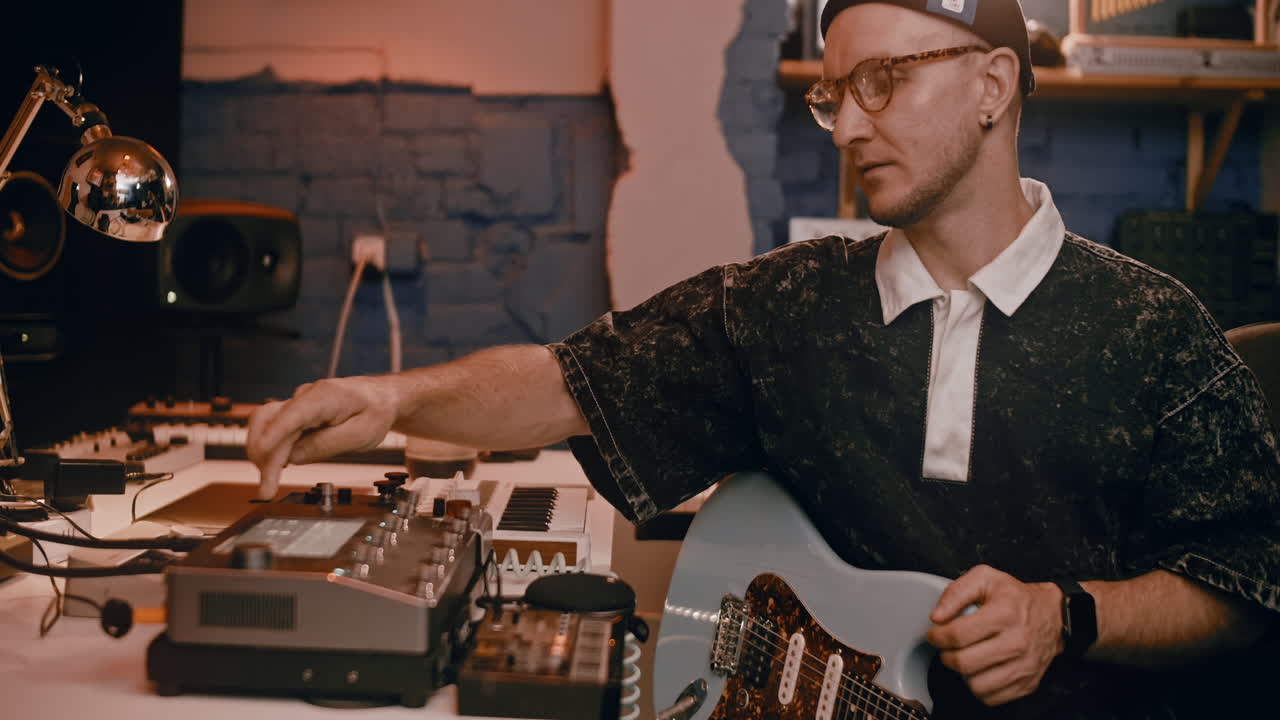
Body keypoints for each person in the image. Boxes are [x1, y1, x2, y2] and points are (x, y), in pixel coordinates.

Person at [246, 0, 1279, 716]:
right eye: (835, 95)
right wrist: (385, 398)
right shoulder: (788, 302)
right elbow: (567, 383)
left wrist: (1067, 615)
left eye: (881, 81)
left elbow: (1244, 585)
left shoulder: (1153, 328)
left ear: (992, 86)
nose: (847, 126)